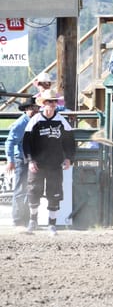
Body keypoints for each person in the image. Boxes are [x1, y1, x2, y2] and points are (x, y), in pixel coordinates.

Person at [23, 89, 76, 236]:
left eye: (54, 101)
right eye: (49, 102)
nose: (52, 104)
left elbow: (70, 142)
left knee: (54, 193)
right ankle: (33, 221)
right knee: (34, 191)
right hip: (38, 164)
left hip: (54, 163)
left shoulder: (62, 121)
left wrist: (68, 158)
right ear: (43, 104)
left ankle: (51, 224)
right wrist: (30, 160)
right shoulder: (35, 121)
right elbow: (26, 142)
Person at [4, 97, 40, 227]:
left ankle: (24, 218)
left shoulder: (33, 121)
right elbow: (10, 142)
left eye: (35, 108)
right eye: (31, 108)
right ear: (25, 110)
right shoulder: (21, 124)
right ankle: (18, 219)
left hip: (29, 158)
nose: (34, 110)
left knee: (28, 189)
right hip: (22, 159)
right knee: (21, 189)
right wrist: (10, 160)